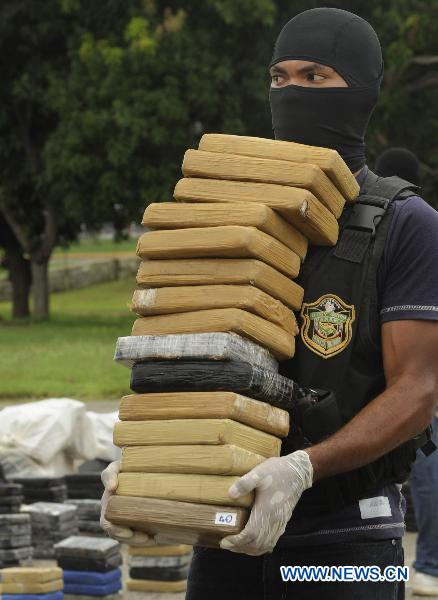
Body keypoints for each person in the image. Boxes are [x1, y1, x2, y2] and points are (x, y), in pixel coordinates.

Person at [100, 8, 438, 599]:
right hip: (229, 529)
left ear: (360, 91)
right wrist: (147, 463)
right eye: (280, 78)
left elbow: (419, 388)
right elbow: (191, 346)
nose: (291, 92)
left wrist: (301, 469)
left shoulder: (406, 225)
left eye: (315, 77)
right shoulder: (236, 218)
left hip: (350, 540)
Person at [376, 147, 438, 597]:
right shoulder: (425, 220)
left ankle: (430, 565)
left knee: (424, 467)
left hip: (416, 368)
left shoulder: (391, 226)